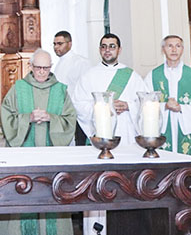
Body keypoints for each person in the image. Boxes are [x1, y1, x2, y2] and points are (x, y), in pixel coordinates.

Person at [71, 33, 146, 235]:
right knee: (100, 184)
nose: (107, 50)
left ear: (119, 50)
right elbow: (79, 104)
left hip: (127, 136)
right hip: (100, 139)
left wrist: (129, 106)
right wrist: (102, 106)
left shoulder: (131, 76)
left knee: (126, 183)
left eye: (112, 46)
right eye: (104, 46)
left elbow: (146, 103)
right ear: (100, 50)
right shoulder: (89, 76)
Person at [0, 48, 77, 235]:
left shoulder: (60, 90)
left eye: (46, 68)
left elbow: (70, 119)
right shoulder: (19, 88)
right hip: (24, 158)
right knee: (23, 196)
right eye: (38, 67)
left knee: (52, 196)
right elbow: (6, 117)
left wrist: (51, 118)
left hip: (52, 158)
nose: (42, 72)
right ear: (30, 66)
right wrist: (28, 118)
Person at [143, 35, 191, 157]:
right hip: (162, 130)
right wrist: (164, 106)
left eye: (178, 46)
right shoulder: (153, 76)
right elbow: (145, 104)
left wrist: (181, 108)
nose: (174, 50)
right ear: (163, 49)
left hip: (187, 126)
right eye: (170, 46)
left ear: (182, 49)